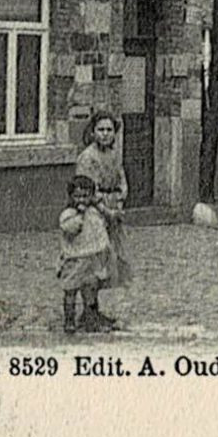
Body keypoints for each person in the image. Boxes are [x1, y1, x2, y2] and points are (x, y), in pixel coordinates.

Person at [75, 114, 132, 311]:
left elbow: (121, 177)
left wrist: (120, 197)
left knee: (112, 262)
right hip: (94, 212)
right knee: (94, 261)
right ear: (93, 132)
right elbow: (85, 191)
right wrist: (106, 210)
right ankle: (88, 311)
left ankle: (100, 308)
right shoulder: (87, 158)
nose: (105, 134)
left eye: (109, 130)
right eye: (101, 130)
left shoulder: (114, 154)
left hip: (113, 210)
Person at [58, 175, 113, 333]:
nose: (81, 200)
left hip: (91, 258)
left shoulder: (93, 212)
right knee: (71, 291)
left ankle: (90, 318)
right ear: (71, 196)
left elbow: (102, 226)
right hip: (74, 260)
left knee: (90, 290)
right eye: (77, 196)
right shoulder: (68, 215)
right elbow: (72, 229)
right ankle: (69, 320)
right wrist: (80, 214)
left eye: (86, 196)